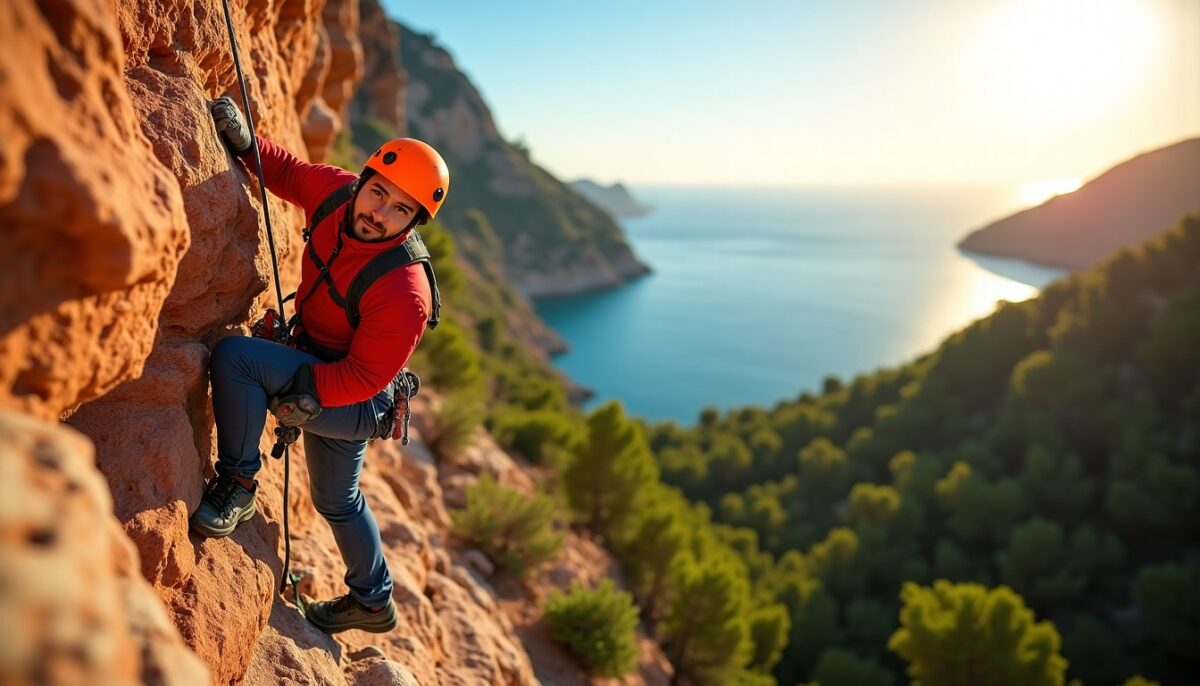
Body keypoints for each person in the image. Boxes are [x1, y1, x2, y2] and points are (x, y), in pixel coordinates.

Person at [189, 96, 448, 634]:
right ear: (363, 180)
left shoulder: (405, 292)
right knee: (338, 498)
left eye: (400, 210)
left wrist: (303, 392)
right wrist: (244, 143)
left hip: (356, 396)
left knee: (238, 359)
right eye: (378, 193)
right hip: (320, 364)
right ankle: (374, 602)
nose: (380, 213)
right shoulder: (335, 194)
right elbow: (283, 171)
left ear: (414, 221)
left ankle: (237, 485)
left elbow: (363, 379)